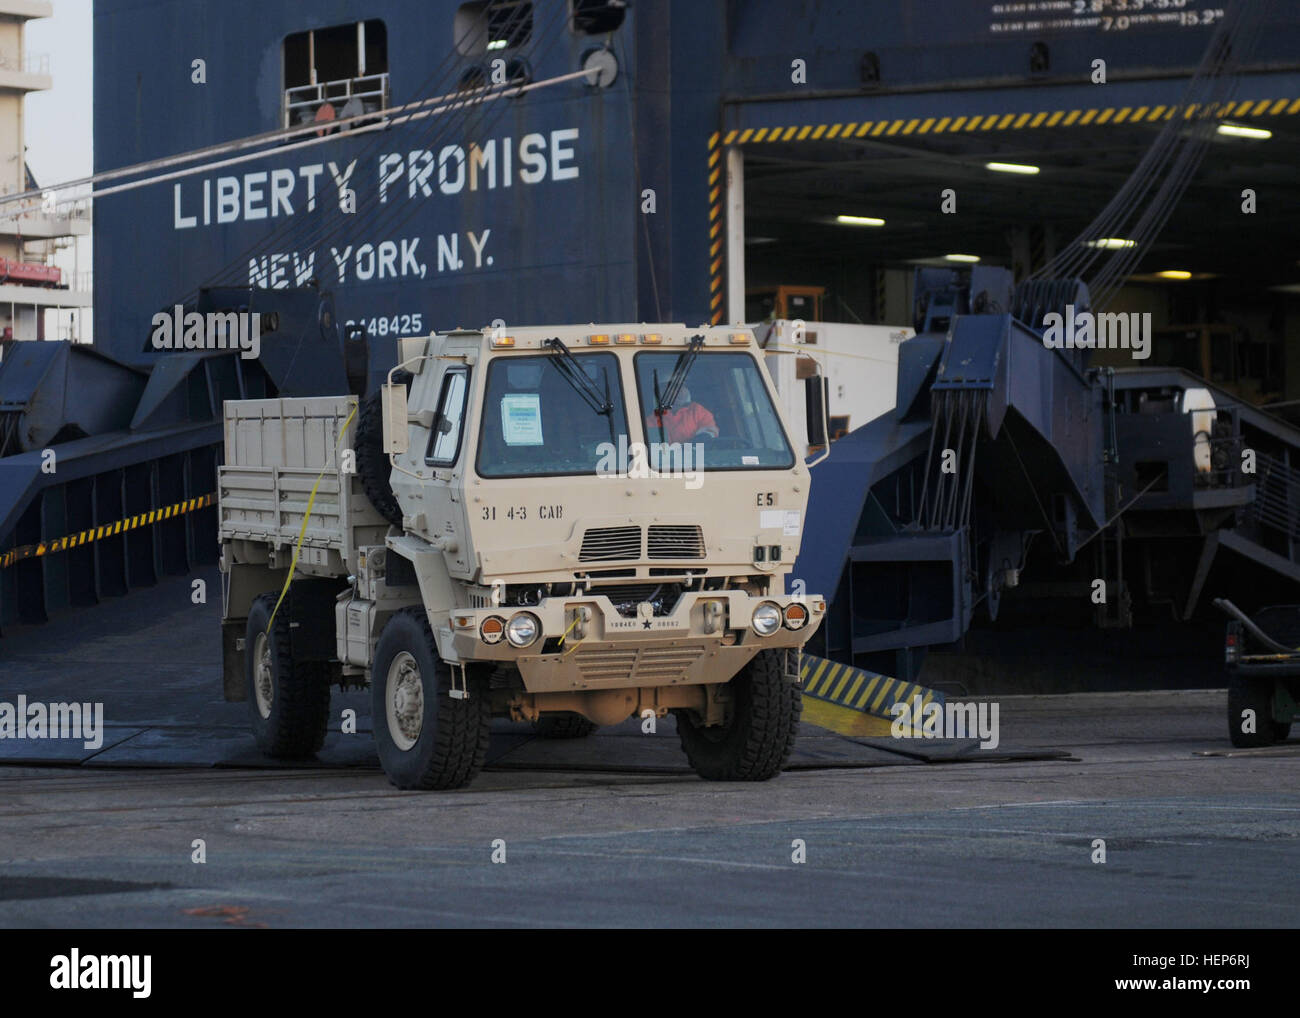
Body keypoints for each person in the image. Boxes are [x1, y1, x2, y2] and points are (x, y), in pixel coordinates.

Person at [645, 385, 719, 443]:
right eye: (669, 389)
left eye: (679, 387)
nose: (676, 392)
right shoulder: (651, 420)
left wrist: (705, 436)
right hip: (668, 460)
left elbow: (711, 430)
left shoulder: (697, 410)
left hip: (699, 457)